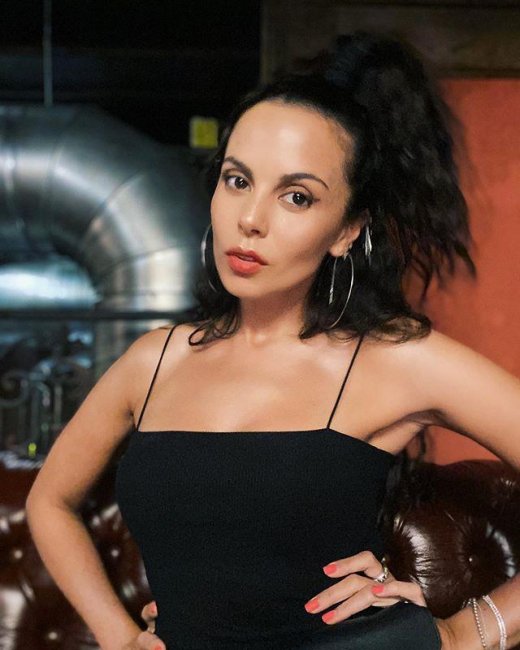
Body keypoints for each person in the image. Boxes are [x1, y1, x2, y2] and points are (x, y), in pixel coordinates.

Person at [25, 31, 520, 650]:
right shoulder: (153, 362)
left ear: (347, 230)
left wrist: (469, 630)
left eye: (297, 196)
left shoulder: (395, 360)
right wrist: (119, 635)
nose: (251, 219)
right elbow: (51, 501)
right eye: (238, 180)